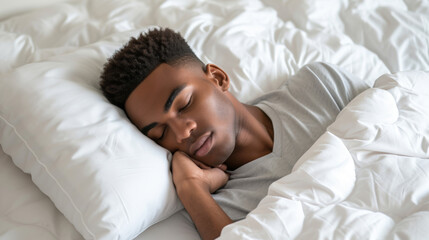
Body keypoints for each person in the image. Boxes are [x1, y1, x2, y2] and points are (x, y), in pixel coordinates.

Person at [99, 28, 369, 240]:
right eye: (160, 133)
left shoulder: (316, 86)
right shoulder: (220, 209)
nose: (182, 133)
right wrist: (192, 188)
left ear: (217, 78)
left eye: (184, 104)